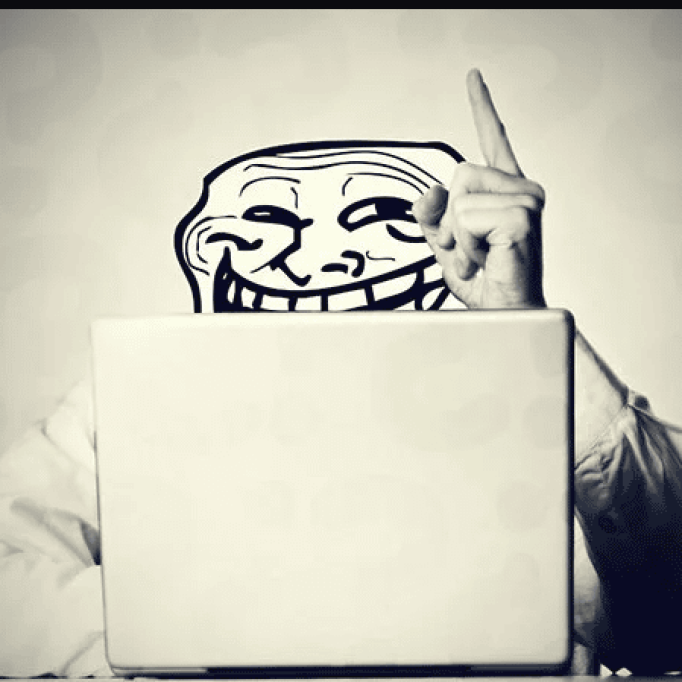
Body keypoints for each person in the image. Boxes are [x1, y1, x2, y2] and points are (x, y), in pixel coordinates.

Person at [1, 68, 681, 677]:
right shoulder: (130, 401)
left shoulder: (550, 410)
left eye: (381, 215)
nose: (325, 261)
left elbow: (668, 615)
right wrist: (179, 626)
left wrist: (529, 331)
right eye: (268, 217)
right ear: (204, 251)